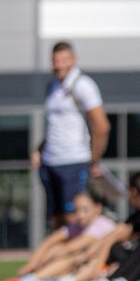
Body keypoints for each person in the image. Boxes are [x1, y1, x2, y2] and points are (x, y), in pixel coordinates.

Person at [31, 41, 108, 229]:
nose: (59, 65)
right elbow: (55, 126)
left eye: (64, 60)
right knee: (56, 218)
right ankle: (59, 257)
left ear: (73, 60)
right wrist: (39, 149)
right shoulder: (53, 87)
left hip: (74, 159)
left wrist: (93, 159)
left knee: (74, 217)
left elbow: (101, 126)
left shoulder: (83, 85)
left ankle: (76, 257)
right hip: (50, 161)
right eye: (55, 61)